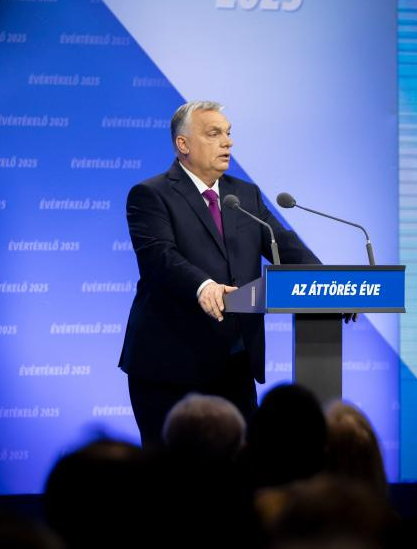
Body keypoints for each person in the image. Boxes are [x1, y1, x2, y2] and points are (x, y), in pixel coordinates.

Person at [119, 100, 320, 444]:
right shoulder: (150, 195)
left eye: (228, 133)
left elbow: (285, 247)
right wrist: (204, 286)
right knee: (171, 469)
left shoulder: (244, 195)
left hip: (235, 362)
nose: (228, 142)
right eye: (214, 134)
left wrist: (331, 283)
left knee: (238, 467)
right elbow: (160, 257)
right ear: (183, 144)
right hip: (169, 366)